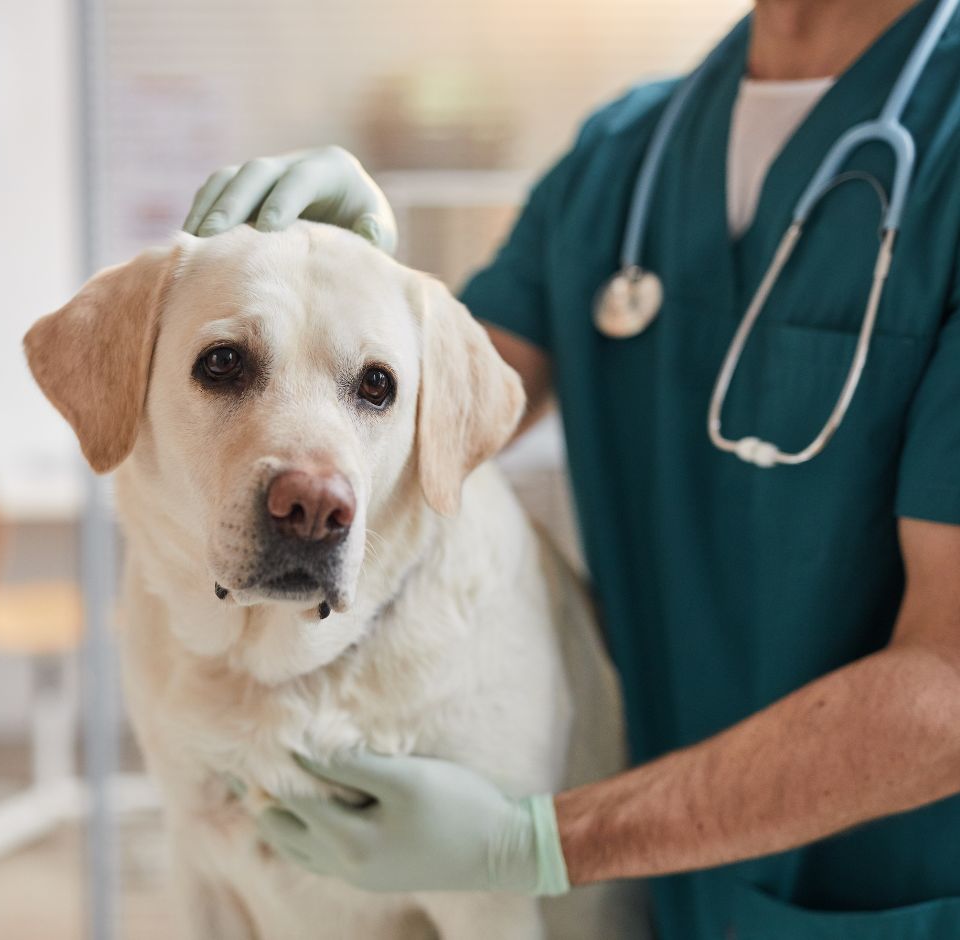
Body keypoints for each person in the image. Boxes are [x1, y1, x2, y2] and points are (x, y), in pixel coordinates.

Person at [182, 0, 960, 936]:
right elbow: (432, 419)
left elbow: (950, 684)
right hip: (657, 892)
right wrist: (354, 286)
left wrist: (535, 842)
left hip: (885, 889)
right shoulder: (623, 158)